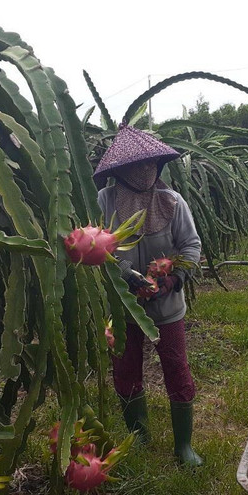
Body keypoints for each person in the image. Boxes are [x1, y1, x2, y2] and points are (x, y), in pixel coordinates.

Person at [93, 124, 204, 466]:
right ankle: (139, 438)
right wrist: (124, 274)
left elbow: (191, 244)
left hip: (167, 306)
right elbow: (96, 244)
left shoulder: (172, 201)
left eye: (151, 163)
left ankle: (183, 445)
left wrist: (173, 279)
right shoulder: (105, 201)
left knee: (176, 368)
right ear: (120, 169)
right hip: (122, 306)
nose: (145, 170)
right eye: (137, 164)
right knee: (126, 370)